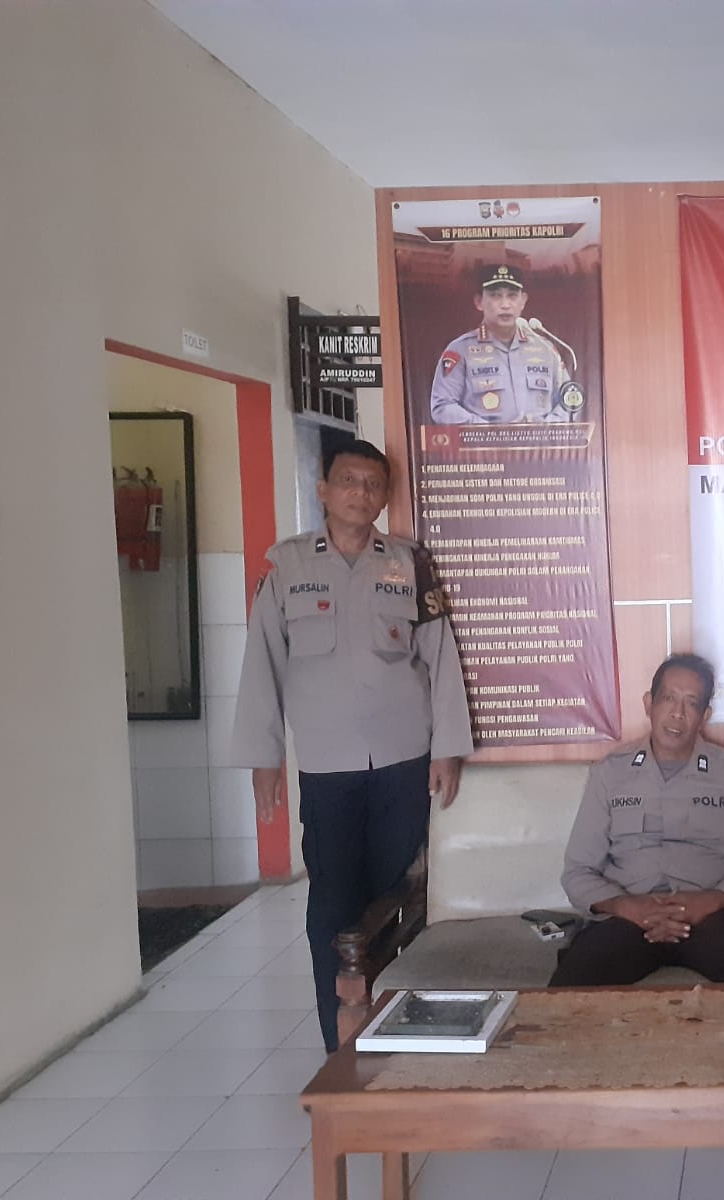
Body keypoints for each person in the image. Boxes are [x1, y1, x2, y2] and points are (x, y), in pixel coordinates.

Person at [229, 437, 474, 1051]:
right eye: (348, 481)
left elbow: (441, 659)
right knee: (333, 909)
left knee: (394, 900)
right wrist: (264, 758)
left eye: (372, 484)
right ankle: (339, 1044)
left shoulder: (410, 564)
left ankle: (392, 1032)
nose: (360, 494)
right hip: (326, 769)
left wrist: (447, 747)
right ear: (323, 490)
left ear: (385, 496)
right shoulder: (286, 567)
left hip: (402, 763)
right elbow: (261, 665)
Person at [549, 653, 724, 987]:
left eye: (691, 703)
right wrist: (626, 907)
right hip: (629, 919)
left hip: (712, 917)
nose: (678, 713)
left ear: (704, 716)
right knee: (572, 985)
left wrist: (713, 900)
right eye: (668, 698)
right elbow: (577, 871)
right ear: (649, 704)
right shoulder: (609, 773)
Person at [428, 263, 577, 424]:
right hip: (484, 440)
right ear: (479, 301)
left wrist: (550, 426)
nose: (505, 305)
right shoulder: (460, 350)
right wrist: (487, 430)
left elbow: (570, 398)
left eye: (512, 295)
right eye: (495, 295)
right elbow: (442, 406)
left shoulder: (545, 348)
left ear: (523, 301)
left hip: (540, 440)